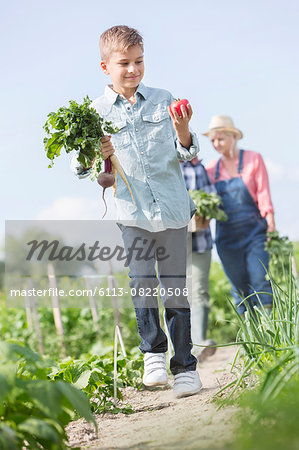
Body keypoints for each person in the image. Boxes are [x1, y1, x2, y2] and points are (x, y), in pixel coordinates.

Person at [72, 26, 202, 398]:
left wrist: (183, 130)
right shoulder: (92, 113)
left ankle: (186, 368)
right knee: (142, 283)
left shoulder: (164, 100)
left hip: (173, 208)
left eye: (139, 61)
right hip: (132, 211)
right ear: (105, 66)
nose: (133, 69)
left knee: (175, 287)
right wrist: (94, 152)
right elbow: (82, 170)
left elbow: (188, 155)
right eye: (124, 63)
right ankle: (154, 356)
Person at [204, 116, 275, 315]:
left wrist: (271, 224)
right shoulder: (211, 169)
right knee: (238, 287)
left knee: (259, 278)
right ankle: (250, 338)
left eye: (220, 139)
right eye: (212, 140)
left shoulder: (254, 159)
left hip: (255, 233)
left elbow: (263, 194)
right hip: (227, 239)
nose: (216, 144)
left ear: (233, 137)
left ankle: (269, 334)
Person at [180, 157, 217, 361]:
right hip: (175, 241)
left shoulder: (200, 168)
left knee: (200, 290)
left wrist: (204, 214)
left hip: (201, 239)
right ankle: (177, 351)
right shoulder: (167, 165)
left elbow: (213, 196)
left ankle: (200, 345)